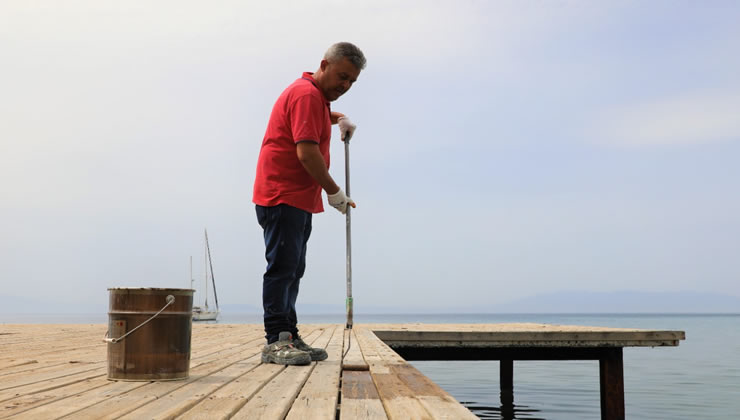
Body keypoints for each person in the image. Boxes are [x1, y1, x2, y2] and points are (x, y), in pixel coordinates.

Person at [252, 42, 366, 365]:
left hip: (298, 198)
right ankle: (275, 340)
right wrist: (334, 191)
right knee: (282, 267)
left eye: (351, 82)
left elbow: (316, 116)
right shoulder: (305, 94)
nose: (344, 86)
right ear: (324, 65)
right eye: (342, 76)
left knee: (294, 267)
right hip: (281, 194)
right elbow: (306, 152)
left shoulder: (316, 99)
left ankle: (289, 333)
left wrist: (338, 118)